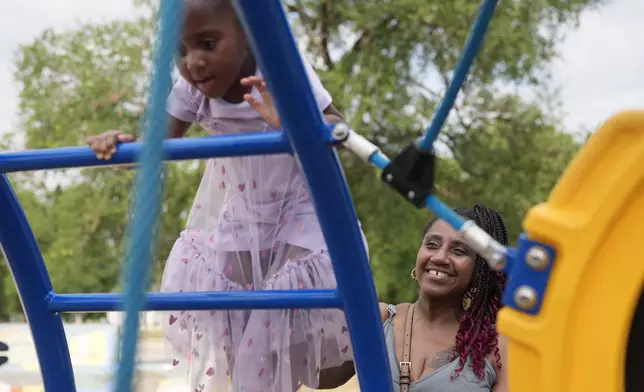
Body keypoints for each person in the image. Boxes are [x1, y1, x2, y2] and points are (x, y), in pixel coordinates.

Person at [87, 0, 354, 391]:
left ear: (247, 34)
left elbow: (338, 128)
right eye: (180, 50)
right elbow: (153, 148)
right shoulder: (193, 93)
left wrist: (297, 122)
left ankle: (325, 365)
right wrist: (118, 145)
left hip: (299, 212)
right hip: (243, 217)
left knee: (319, 356)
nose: (194, 62)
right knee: (245, 338)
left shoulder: (279, 70)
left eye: (208, 43)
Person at [319, 204, 509, 392]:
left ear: (480, 269)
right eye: (432, 245)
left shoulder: (496, 347)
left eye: (458, 251)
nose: (440, 257)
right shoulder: (379, 320)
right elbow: (318, 376)